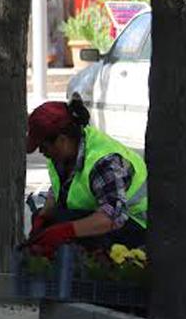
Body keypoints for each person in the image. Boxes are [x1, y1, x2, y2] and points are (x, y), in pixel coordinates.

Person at [22, 99, 148, 258]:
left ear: (62, 140)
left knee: (63, 225)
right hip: (101, 216)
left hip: (136, 227)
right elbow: (59, 189)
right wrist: (42, 217)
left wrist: (65, 231)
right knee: (50, 221)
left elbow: (113, 217)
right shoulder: (62, 155)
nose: (41, 152)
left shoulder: (104, 162)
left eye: (43, 146)